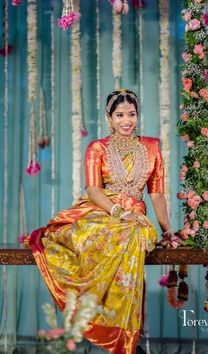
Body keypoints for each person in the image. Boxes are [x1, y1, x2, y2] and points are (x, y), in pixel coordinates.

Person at [29, 88, 172, 354]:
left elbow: (157, 193)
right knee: (90, 236)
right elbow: (93, 191)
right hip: (102, 210)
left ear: (138, 115)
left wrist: (168, 231)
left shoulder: (152, 147)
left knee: (133, 234)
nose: (126, 120)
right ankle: (92, 310)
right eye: (120, 115)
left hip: (135, 218)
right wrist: (118, 211)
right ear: (109, 117)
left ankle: (124, 334)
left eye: (131, 114)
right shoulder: (97, 148)